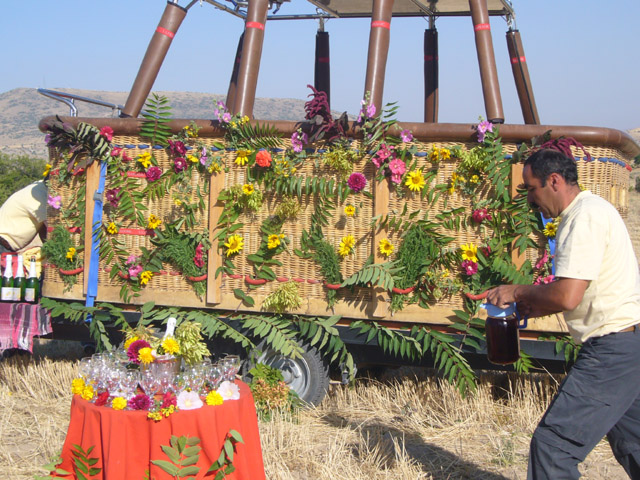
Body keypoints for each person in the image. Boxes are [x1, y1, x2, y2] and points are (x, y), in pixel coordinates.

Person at [486, 148, 640, 479]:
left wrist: (517, 291)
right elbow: (582, 292)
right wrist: (536, 303)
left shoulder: (582, 217)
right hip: (629, 345)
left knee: (552, 447)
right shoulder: (592, 210)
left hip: (612, 350)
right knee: (634, 442)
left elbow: (569, 296)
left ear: (553, 181)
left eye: (531, 188)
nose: (530, 199)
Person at [0, 180, 48, 253]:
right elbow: (52, 228)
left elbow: (44, 231)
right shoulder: (40, 195)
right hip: (2, 244)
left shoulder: (38, 188)